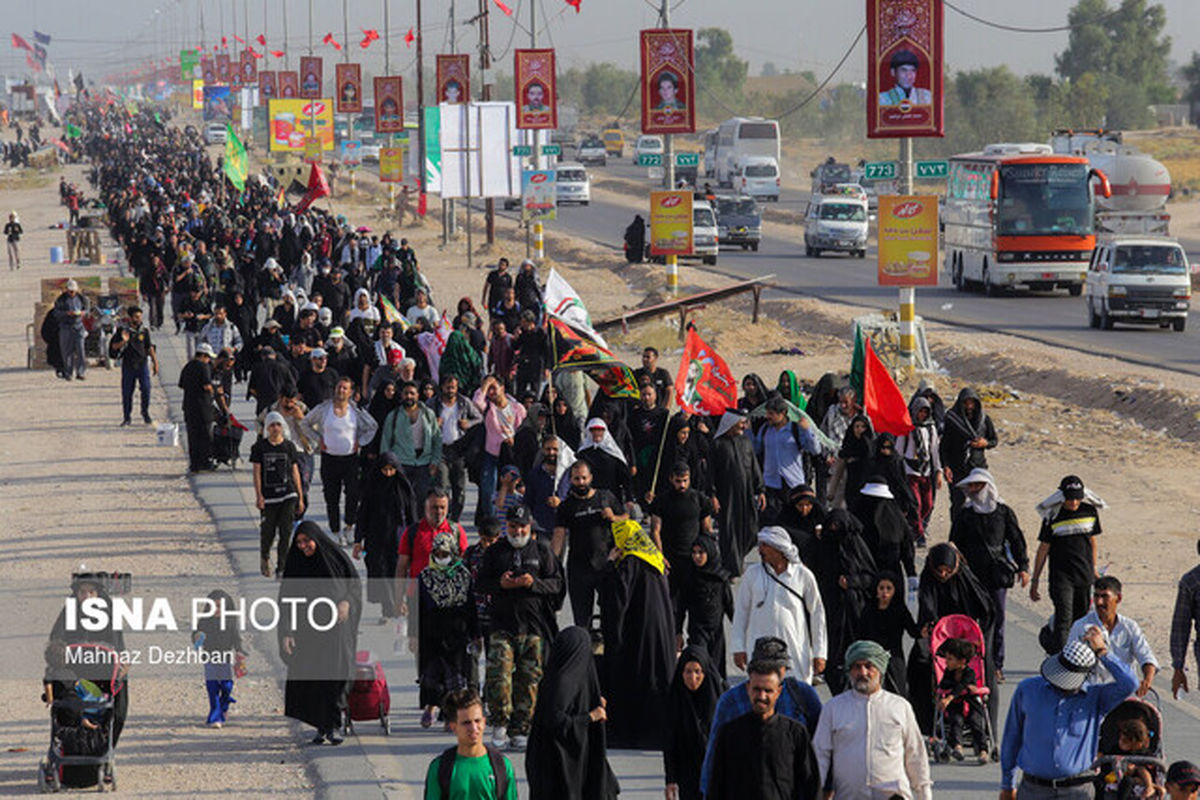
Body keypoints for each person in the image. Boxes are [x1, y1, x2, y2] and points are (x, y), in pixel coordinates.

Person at [1000, 629, 1138, 800]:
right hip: (1033, 789)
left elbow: (1130, 683)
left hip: (1078, 790)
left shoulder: (1097, 697)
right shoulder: (1027, 690)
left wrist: (1103, 652)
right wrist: (1007, 784)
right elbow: (1012, 738)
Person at [478, 505, 564, 752]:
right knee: (499, 675)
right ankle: (499, 724)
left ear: (530, 527)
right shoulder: (495, 552)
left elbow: (557, 584)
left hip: (533, 627)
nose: (518, 531)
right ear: (507, 527)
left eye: (522, 527)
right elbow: (480, 584)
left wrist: (533, 583)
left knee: (529, 680)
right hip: (501, 626)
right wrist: (500, 584)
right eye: (513, 527)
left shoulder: (542, 551)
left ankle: (521, 728)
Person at [699, 637, 823, 798]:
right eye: (757, 689)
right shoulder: (730, 705)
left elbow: (819, 754)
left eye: (778, 668)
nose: (762, 696)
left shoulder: (802, 700)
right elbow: (714, 764)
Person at [813, 640, 932, 800]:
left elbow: (915, 754)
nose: (863, 673)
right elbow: (820, 754)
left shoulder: (900, 706)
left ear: (880, 670)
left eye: (869, 666)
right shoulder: (833, 708)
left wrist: (924, 794)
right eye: (856, 667)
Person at [278, 521, 362, 745]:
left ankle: (332, 724)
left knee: (336, 675)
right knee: (315, 679)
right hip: (308, 631)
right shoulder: (295, 564)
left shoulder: (335, 557)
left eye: (307, 541)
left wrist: (346, 603)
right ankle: (324, 726)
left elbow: (354, 586)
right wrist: (287, 632)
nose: (304, 546)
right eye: (299, 543)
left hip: (337, 629)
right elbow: (285, 600)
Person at [598, 519, 675, 751]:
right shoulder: (655, 560)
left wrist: (609, 565)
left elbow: (616, 599)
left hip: (638, 635)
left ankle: (635, 733)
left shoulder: (630, 562)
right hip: (659, 635)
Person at [948, 467, 1028, 682]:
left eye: (978, 485)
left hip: (996, 575)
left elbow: (1017, 541)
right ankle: (970, 664)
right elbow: (954, 543)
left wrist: (1023, 567)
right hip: (970, 577)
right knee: (970, 621)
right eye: (971, 486)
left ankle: (995, 665)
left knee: (997, 619)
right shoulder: (965, 514)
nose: (974, 489)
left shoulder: (1003, 512)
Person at [525, 626, 619, 800]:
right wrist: (591, 717)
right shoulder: (562, 683)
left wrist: (592, 703)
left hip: (562, 767)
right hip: (559, 769)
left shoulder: (558, 676)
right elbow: (555, 721)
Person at [731, 526, 828, 683]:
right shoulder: (752, 574)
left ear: (778, 548)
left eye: (765, 545)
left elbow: (817, 613)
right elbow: (741, 612)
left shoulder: (802, 575)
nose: (760, 550)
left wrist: (820, 653)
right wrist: (738, 647)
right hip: (759, 651)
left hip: (795, 652)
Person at [1031, 475, 1104, 654]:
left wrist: (1094, 568)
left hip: (1084, 575)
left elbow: (1092, 542)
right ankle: (1062, 660)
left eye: (1077, 497)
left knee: (1080, 621)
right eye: (1070, 498)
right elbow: (1043, 549)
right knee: (1064, 618)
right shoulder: (1053, 516)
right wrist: (1035, 580)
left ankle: (1078, 657)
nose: (1074, 502)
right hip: (1060, 577)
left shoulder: (1090, 512)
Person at [415, 532, 481, 729]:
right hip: (431, 634)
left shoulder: (464, 576)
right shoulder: (425, 576)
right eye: (437, 553)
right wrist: (413, 635)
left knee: (457, 679)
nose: (440, 556)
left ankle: (451, 716)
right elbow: (417, 607)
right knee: (433, 676)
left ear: (453, 553)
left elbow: (471, 607)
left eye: (445, 553)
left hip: (458, 634)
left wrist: (476, 635)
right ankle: (431, 708)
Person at [302, 377, 379, 545]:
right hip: (329, 458)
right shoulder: (324, 408)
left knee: (352, 494)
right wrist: (317, 440)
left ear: (350, 392)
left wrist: (361, 441)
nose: (341, 391)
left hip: (350, 458)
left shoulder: (355, 411)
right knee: (331, 496)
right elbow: (305, 423)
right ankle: (335, 530)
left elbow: (372, 426)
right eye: (339, 387)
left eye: (345, 388)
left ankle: (350, 527)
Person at [553, 460, 627, 630]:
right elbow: (558, 536)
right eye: (577, 479)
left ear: (591, 477)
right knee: (581, 620)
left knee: (612, 616)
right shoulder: (566, 506)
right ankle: (585, 653)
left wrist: (614, 517)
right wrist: (552, 562)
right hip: (578, 569)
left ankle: (610, 653)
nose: (581, 483)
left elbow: (627, 519)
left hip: (606, 565)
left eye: (584, 478)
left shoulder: (605, 497)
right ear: (571, 480)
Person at [649, 462, 715, 635]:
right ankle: (674, 636)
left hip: (693, 560)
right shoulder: (661, 501)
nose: (682, 485)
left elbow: (707, 530)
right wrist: (660, 557)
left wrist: (709, 556)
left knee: (694, 603)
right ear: (671, 479)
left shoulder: (700, 499)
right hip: (670, 560)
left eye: (685, 480)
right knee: (671, 605)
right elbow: (655, 530)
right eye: (678, 481)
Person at [1067, 575, 1158, 696]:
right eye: (1096, 596)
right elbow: (1069, 662)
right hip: (1093, 694)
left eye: (1105, 596)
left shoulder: (1130, 627)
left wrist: (1147, 680)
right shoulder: (1081, 626)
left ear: (1118, 598)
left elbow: (1146, 657)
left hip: (1123, 693)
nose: (1099, 602)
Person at [353, 451, 417, 620]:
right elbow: (363, 514)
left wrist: (414, 538)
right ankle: (388, 606)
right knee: (380, 572)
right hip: (375, 538)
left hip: (398, 537)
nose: (388, 473)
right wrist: (358, 540)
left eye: (391, 469)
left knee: (397, 571)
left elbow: (411, 514)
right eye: (385, 470)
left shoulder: (403, 487)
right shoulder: (372, 487)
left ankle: (398, 601)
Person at [424, 688, 517, 800]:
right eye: (466, 723)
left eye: (477, 721)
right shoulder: (440, 768)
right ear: (454, 727)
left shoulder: (502, 766)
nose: (473, 728)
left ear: (484, 721)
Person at [710, 409, 766, 576]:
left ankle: (738, 558)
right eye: (741, 422)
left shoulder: (745, 442)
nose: (744, 425)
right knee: (729, 532)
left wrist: (760, 490)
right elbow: (711, 474)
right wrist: (712, 496)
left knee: (750, 529)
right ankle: (732, 568)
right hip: (726, 496)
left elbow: (754, 467)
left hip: (746, 494)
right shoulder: (718, 444)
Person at [250, 412, 305, 577]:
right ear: (267, 427)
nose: (275, 428)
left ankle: (282, 567)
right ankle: (265, 556)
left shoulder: (289, 447)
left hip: (288, 494)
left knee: (286, 531)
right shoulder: (259, 447)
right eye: (272, 425)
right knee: (268, 532)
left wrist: (300, 497)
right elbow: (257, 472)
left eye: (278, 425)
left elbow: (295, 472)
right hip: (269, 497)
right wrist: (259, 495)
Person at [663, 646, 721, 800]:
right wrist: (670, 780)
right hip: (687, 772)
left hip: (716, 772)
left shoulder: (720, 701)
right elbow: (670, 742)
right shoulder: (674, 700)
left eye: (698, 672)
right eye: (688, 672)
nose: (692, 677)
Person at [754, 396, 820, 521]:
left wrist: (807, 430)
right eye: (767, 413)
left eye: (771, 413)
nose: (767, 416)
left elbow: (815, 450)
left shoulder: (796, 429)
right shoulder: (765, 429)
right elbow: (756, 449)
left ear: (783, 413)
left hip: (793, 483)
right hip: (771, 483)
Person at [191, 589, 247, 728]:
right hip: (209, 658)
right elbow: (196, 635)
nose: (216, 609)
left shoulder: (230, 622)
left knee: (227, 686)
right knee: (212, 687)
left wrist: (239, 651)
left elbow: (236, 639)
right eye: (213, 606)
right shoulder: (205, 621)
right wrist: (197, 636)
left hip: (225, 658)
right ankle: (215, 715)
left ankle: (224, 705)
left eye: (219, 606)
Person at [857, 572, 920, 695]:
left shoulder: (900, 609)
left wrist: (923, 631)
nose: (884, 592)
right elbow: (861, 634)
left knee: (898, 691)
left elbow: (913, 631)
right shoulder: (868, 609)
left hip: (894, 656)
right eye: (881, 588)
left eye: (888, 588)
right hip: (873, 658)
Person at [381, 381, 443, 504]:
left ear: (418, 395)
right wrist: (387, 465)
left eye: (412, 393)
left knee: (422, 500)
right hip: (401, 463)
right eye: (406, 393)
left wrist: (435, 461)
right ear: (401, 395)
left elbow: (436, 439)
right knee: (402, 500)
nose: (409, 396)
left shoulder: (428, 414)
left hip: (424, 463)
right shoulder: (393, 416)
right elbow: (385, 442)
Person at [940, 387, 997, 518]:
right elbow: (944, 446)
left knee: (981, 501)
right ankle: (956, 536)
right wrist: (946, 466)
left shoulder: (983, 419)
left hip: (978, 467)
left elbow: (994, 440)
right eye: (966, 403)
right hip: (957, 468)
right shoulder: (952, 419)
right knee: (958, 503)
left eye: (972, 403)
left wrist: (985, 443)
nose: (969, 406)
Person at [896, 395, 942, 545]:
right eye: (920, 411)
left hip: (926, 471)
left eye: (925, 412)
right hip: (910, 470)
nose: (922, 415)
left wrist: (938, 471)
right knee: (916, 503)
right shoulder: (907, 427)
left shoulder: (931, 428)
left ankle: (913, 526)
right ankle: (919, 534)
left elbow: (934, 451)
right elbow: (899, 451)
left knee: (928, 504)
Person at [936, 637, 989, 763]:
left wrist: (949, 697)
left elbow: (961, 686)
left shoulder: (969, 673)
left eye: (950, 659)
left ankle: (983, 750)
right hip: (956, 705)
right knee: (956, 721)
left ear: (961, 661)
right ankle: (957, 747)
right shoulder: (949, 672)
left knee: (976, 722)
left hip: (972, 704)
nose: (946, 662)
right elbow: (943, 685)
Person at [109, 306, 158, 426]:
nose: (139, 319)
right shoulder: (123, 331)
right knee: (127, 392)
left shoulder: (144, 331)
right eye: (136, 317)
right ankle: (127, 417)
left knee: (146, 389)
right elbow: (114, 347)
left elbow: (149, 347)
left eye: (140, 316)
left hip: (142, 364)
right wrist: (124, 341)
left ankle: (145, 413)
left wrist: (155, 362)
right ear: (130, 318)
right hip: (128, 365)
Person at [179, 343, 217, 472]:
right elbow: (207, 385)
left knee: (193, 436)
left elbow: (181, 384)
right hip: (203, 407)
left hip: (189, 405)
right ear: (204, 356)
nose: (209, 360)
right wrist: (214, 390)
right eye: (208, 357)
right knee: (205, 435)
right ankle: (205, 462)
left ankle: (194, 464)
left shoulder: (188, 366)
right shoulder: (203, 367)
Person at [54, 279, 88, 381]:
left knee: (81, 350)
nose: (72, 293)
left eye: (73, 291)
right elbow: (56, 313)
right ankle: (68, 373)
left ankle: (81, 372)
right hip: (66, 327)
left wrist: (83, 313)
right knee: (67, 352)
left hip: (79, 326)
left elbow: (87, 309)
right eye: (70, 291)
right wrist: (66, 314)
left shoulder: (82, 299)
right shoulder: (61, 300)